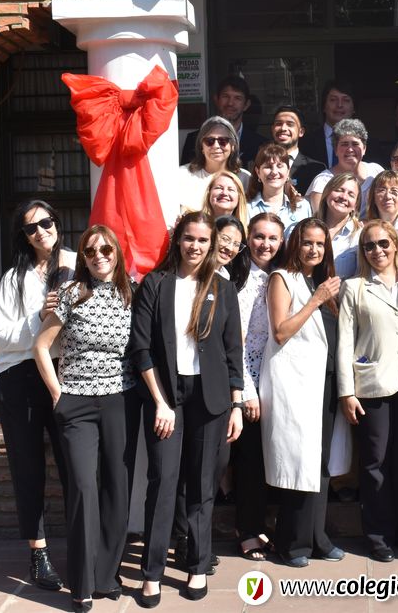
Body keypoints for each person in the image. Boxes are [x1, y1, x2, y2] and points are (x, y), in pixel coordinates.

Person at [129, 211, 244, 607]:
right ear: (178, 240)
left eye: (202, 240)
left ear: (211, 245)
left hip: (211, 400)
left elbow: (233, 351)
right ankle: (151, 573)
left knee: (201, 485)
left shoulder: (222, 288)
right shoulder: (155, 284)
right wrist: (160, 402)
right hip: (166, 398)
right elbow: (140, 348)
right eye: (189, 238)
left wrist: (236, 404)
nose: (195, 246)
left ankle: (197, 565)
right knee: (162, 482)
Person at [32, 224, 139, 611]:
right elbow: (41, 346)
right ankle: (82, 583)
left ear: (117, 253)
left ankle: (106, 576)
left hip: (120, 401)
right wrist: (58, 394)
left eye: (106, 249)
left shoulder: (132, 293)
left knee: (116, 488)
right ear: (83, 257)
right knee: (81, 487)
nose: (99, 257)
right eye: (90, 251)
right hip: (76, 403)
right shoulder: (72, 293)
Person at [0, 200, 75, 592]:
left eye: (46, 222)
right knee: (28, 468)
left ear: (56, 223)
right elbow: (0, 335)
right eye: (31, 228)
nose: (41, 231)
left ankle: (82, 546)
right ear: (23, 236)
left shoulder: (76, 264)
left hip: (67, 373)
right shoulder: (13, 279)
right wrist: (38, 318)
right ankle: (38, 553)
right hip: (21, 377)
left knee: (75, 464)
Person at [337, 220, 398, 562]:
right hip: (372, 386)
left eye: (383, 244)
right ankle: (377, 535)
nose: (377, 251)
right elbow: (344, 342)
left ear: (395, 245)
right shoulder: (354, 287)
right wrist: (346, 392)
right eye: (369, 246)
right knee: (375, 462)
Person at [259, 218, 345, 568]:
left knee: (319, 463)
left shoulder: (321, 281)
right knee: (298, 462)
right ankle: (291, 543)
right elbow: (280, 331)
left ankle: (317, 538)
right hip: (294, 383)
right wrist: (316, 300)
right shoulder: (283, 278)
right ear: (295, 244)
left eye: (320, 244)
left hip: (324, 381)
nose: (314, 249)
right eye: (307, 242)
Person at [230, 213, 285, 561]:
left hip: (276, 377)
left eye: (272, 238)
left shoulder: (279, 275)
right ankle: (247, 530)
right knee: (249, 461)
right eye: (259, 236)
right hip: (248, 380)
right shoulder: (240, 278)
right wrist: (247, 392)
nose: (265, 244)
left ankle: (263, 525)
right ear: (248, 238)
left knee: (270, 458)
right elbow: (238, 342)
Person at [180, 75, 265, 167]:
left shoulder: (260, 144)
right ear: (216, 100)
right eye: (225, 96)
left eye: (237, 98)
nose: (230, 103)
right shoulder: (194, 139)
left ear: (246, 105)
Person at [306, 118, 384, 213]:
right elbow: (318, 218)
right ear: (335, 150)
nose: (350, 149)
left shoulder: (376, 171)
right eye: (344, 144)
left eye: (355, 144)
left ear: (364, 149)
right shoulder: (323, 181)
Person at [178, 116, 250, 215]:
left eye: (223, 141)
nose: (216, 146)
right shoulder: (181, 175)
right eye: (209, 141)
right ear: (201, 146)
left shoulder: (245, 178)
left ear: (233, 146)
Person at [246, 142, 312, 230]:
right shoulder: (246, 206)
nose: (274, 172)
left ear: (288, 171)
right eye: (268, 166)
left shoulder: (302, 206)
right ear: (258, 172)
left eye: (279, 166)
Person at [299, 79, 356, 169]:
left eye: (346, 100)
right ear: (324, 106)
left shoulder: (370, 145)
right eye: (333, 100)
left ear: (353, 109)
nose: (339, 105)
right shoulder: (305, 144)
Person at [316, 172, 363, 279]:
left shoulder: (360, 236)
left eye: (351, 195)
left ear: (356, 205)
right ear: (327, 193)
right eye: (339, 190)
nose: (344, 197)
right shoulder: (306, 228)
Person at [270, 105, 325, 194]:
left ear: (301, 132)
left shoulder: (316, 168)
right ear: (272, 129)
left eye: (290, 124)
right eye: (279, 124)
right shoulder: (261, 163)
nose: (283, 128)